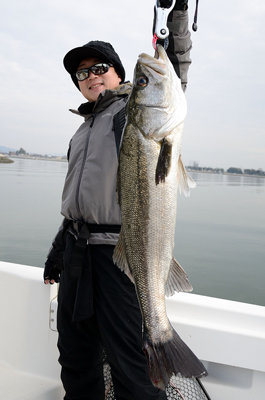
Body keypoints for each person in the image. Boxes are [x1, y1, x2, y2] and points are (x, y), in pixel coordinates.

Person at [44, 1, 193, 399]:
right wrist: (59, 250)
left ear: (118, 75)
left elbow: (173, 75)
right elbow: (80, 200)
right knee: (74, 358)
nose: (90, 76)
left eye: (99, 68)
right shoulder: (83, 129)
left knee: (131, 367)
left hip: (120, 259)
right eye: (82, 73)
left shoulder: (132, 114)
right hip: (77, 258)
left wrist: (176, 22)